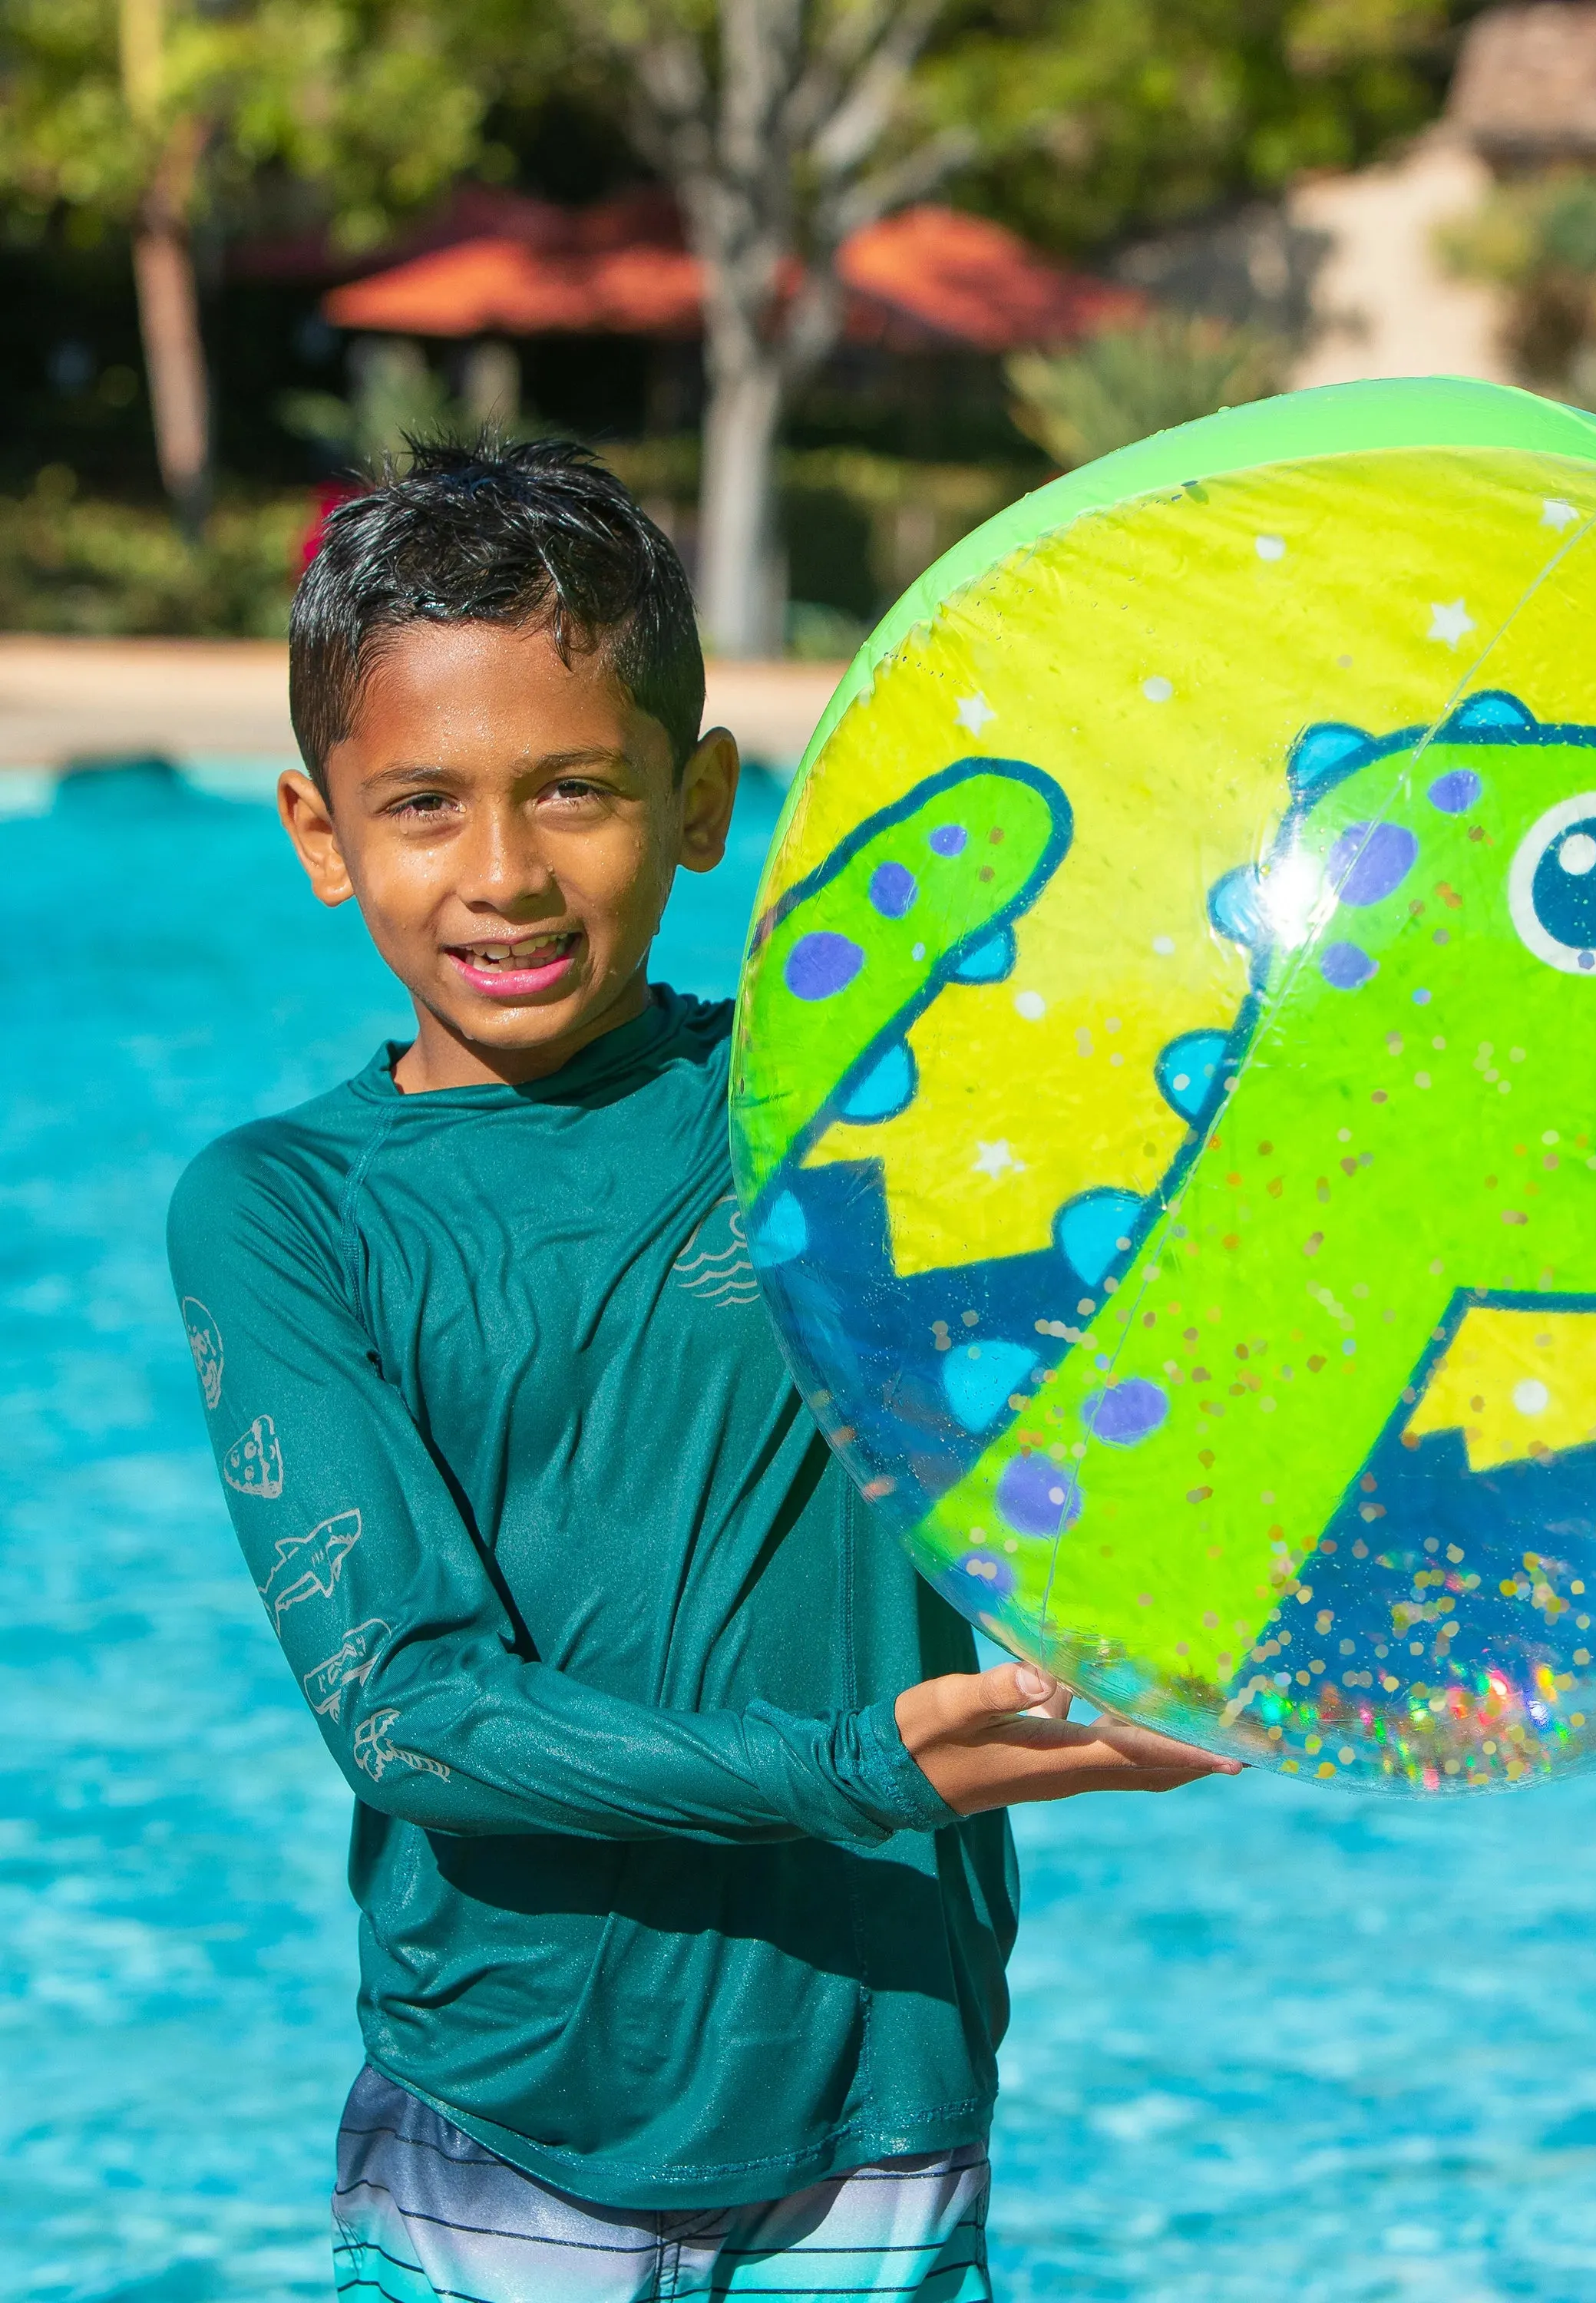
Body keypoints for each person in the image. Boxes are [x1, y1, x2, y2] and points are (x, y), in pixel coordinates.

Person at [165, 438, 1236, 2303]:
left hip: (880, 2089)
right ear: (319, 834)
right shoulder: (290, 1212)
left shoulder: (857, 1119)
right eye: (424, 806)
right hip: (504, 2117)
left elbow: (1191, 1286)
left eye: (575, 790)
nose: (503, 875)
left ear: (700, 798)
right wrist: (867, 1767)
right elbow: (410, 1711)